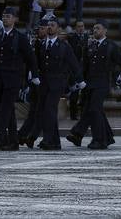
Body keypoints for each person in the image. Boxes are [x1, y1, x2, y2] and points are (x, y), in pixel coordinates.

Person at [68, 20, 121, 149]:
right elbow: (85, 65)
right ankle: (100, 137)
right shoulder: (90, 45)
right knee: (91, 111)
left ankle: (98, 139)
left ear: (105, 30)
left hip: (102, 84)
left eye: (98, 28)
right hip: (89, 84)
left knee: (94, 109)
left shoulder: (111, 46)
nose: (95, 30)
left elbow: (120, 63)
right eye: (94, 28)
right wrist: (80, 80)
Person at [0, 6, 35, 151]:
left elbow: (30, 58)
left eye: (8, 16)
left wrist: (34, 75)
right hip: (0, 78)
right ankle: (13, 141)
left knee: (5, 109)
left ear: (15, 19)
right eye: (4, 16)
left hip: (13, 79)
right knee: (8, 112)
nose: (5, 19)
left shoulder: (20, 38)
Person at [35, 17, 81, 150]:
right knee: (45, 111)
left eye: (53, 25)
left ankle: (48, 140)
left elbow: (73, 63)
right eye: (48, 25)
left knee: (49, 110)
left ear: (58, 29)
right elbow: (37, 62)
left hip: (57, 83)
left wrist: (79, 79)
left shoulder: (63, 46)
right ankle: (54, 141)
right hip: (44, 82)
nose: (49, 27)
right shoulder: (41, 44)